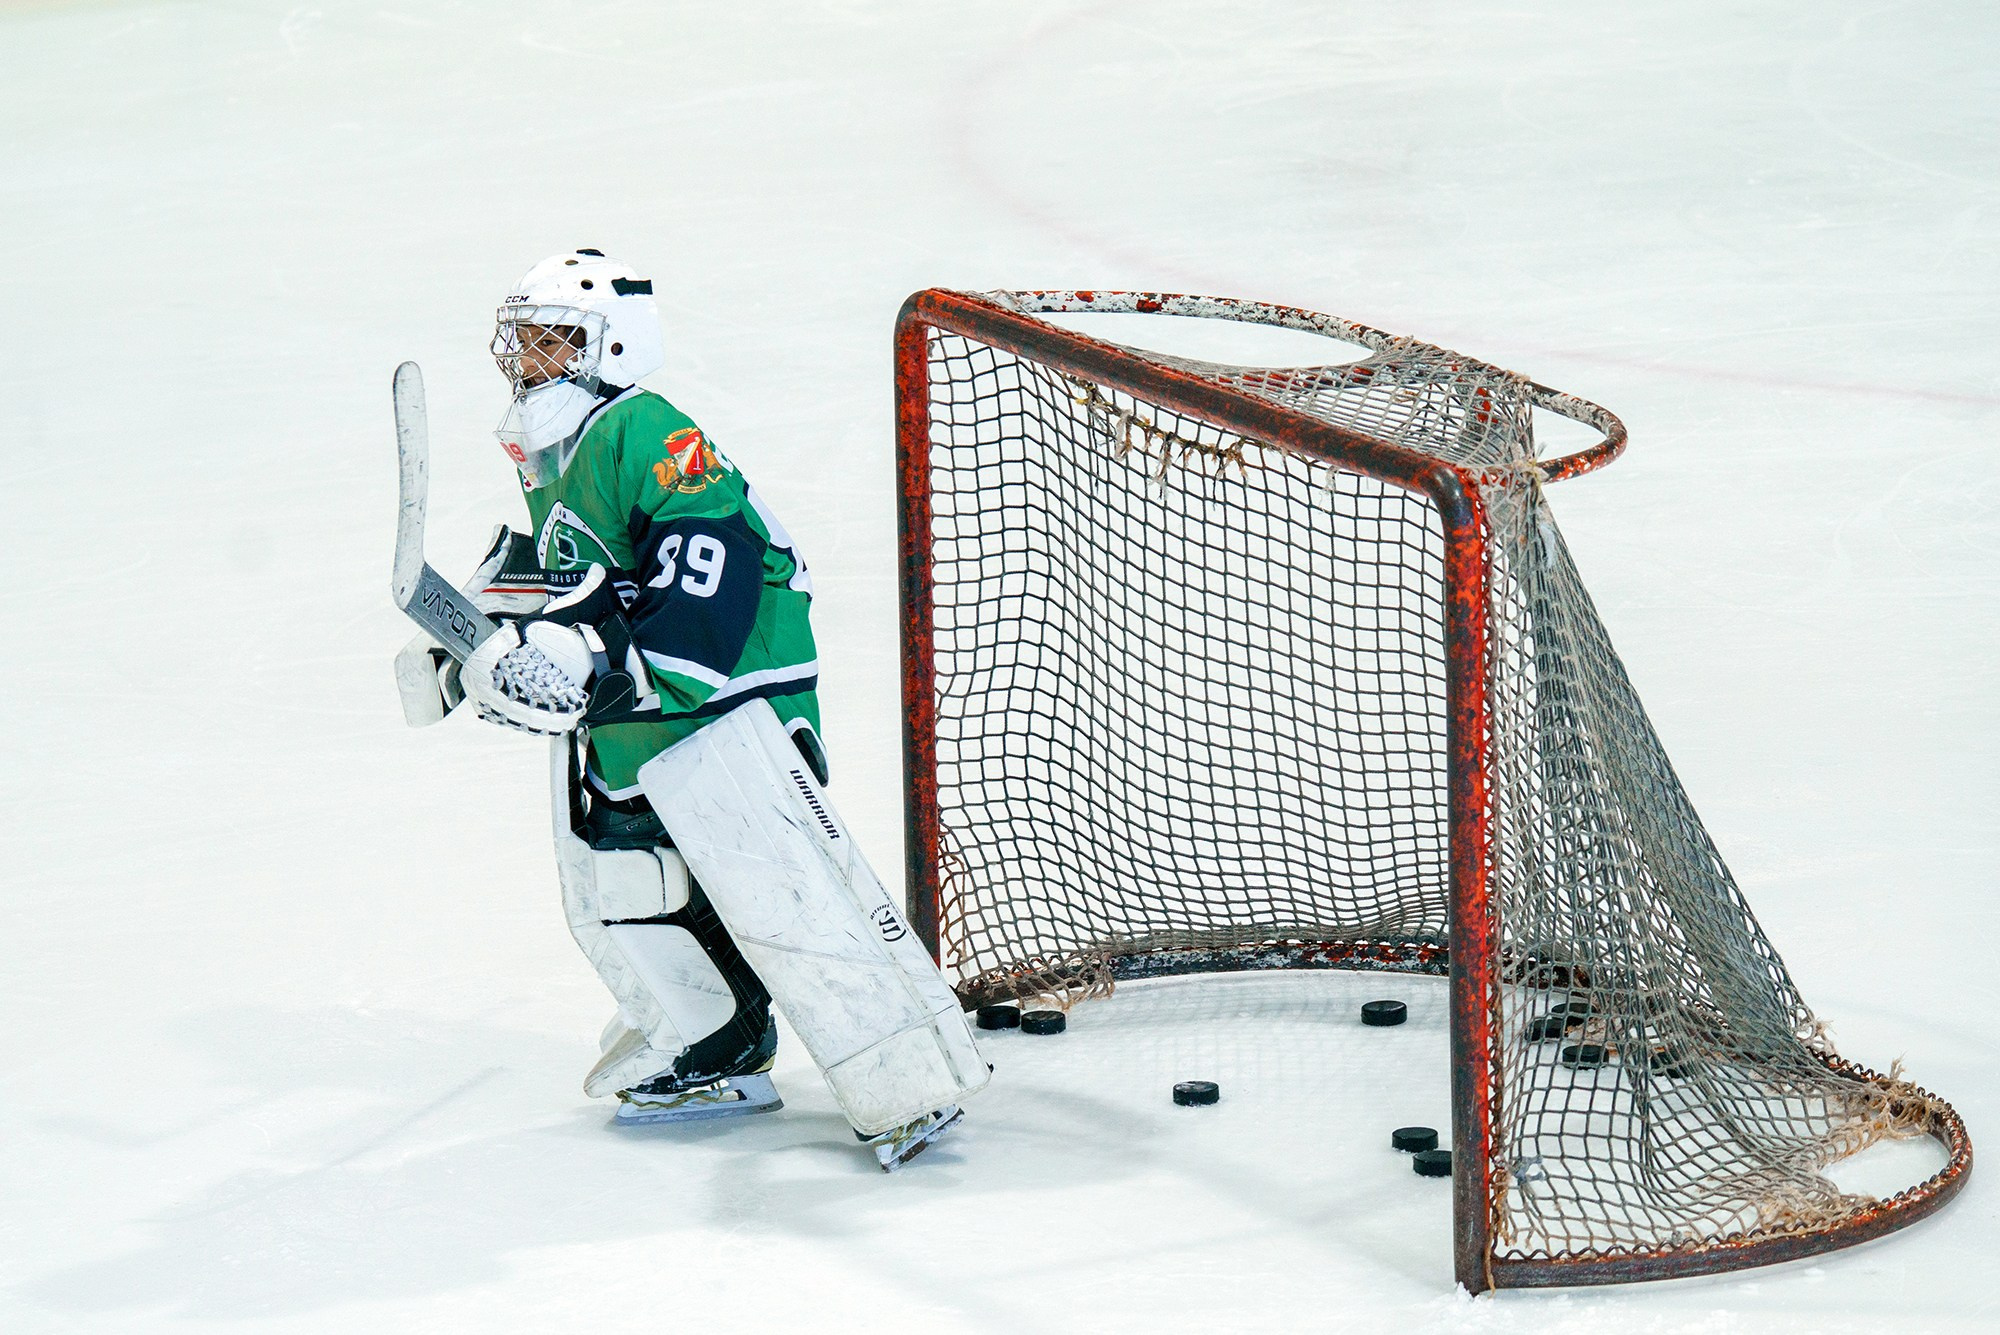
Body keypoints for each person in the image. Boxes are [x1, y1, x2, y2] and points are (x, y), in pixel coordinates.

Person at [442, 250, 986, 1169]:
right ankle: (718, 1040)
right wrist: (469, 632)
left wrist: (594, 654)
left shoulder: (648, 430)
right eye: (525, 340)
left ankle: (910, 1072)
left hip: (730, 691)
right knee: (624, 877)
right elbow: (577, 569)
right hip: (645, 701)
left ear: (610, 346)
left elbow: (712, 565)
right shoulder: (551, 450)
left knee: (777, 887)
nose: (529, 359)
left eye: (552, 340)